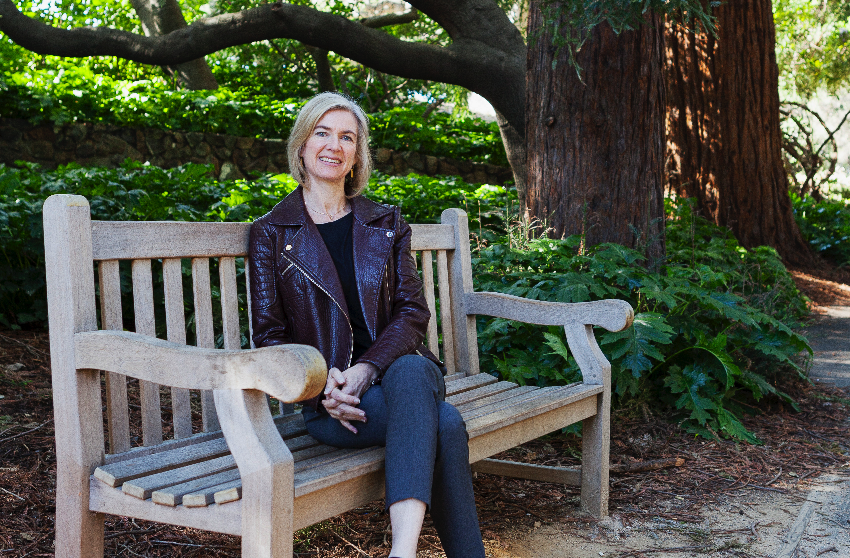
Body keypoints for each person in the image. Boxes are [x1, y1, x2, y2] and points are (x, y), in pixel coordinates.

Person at [248, 92, 486, 558]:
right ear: (302, 145)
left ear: (357, 156)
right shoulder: (271, 233)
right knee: (447, 423)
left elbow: (412, 312)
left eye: (346, 137)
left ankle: (403, 551)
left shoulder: (386, 223)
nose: (333, 145)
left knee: (414, 371)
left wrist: (366, 370)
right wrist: (321, 390)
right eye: (322, 133)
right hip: (333, 407)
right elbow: (269, 340)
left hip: (394, 378)